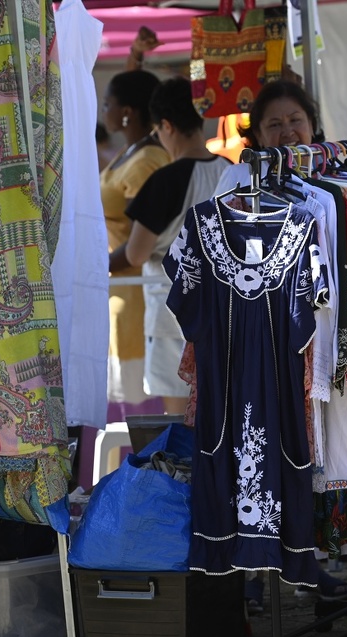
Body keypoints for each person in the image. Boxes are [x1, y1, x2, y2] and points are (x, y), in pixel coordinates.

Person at [211, 80, 347, 611]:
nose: (287, 130)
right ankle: (249, 575)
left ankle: (306, 563)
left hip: (308, 344)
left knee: (303, 454)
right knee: (250, 451)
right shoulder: (236, 178)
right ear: (257, 133)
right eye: (274, 123)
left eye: (295, 120)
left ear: (313, 125)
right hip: (246, 344)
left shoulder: (333, 182)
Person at [109, 77, 231, 416]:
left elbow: (135, 253)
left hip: (171, 311)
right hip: (227, 309)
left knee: (181, 419)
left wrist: (98, 266)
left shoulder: (164, 181)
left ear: (165, 125)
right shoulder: (232, 172)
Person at [101, 70, 170, 411]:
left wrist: (95, 268)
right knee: (126, 408)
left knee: (144, 406)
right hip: (121, 287)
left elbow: (140, 240)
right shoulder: (133, 152)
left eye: (107, 103)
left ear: (127, 111)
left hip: (137, 289)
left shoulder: (146, 161)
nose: (103, 110)